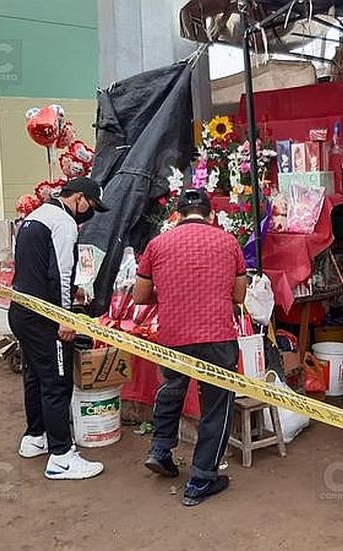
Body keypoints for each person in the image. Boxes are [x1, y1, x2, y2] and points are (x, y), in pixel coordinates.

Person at [133, 188, 247, 507]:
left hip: (173, 336)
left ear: (178, 214)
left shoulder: (157, 245)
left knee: (172, 388)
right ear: (211, 215)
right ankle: (201, 479)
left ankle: (160, 449)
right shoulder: (228, 242)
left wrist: (168, 296)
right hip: (217, 336)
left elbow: (140, 296)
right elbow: (239, 296)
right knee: (217, 403)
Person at [10, 177, 109, 480]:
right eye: (89, 206)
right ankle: (62, 456)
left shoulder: (35, 216)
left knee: (35, 377)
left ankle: (35, 437)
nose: (88, 213)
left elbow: (35, 269)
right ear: (77, 197)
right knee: (57, 381)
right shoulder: (63, 223)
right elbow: (62, 274)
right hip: (45, 318)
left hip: (21, 311)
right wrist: (65, 318)